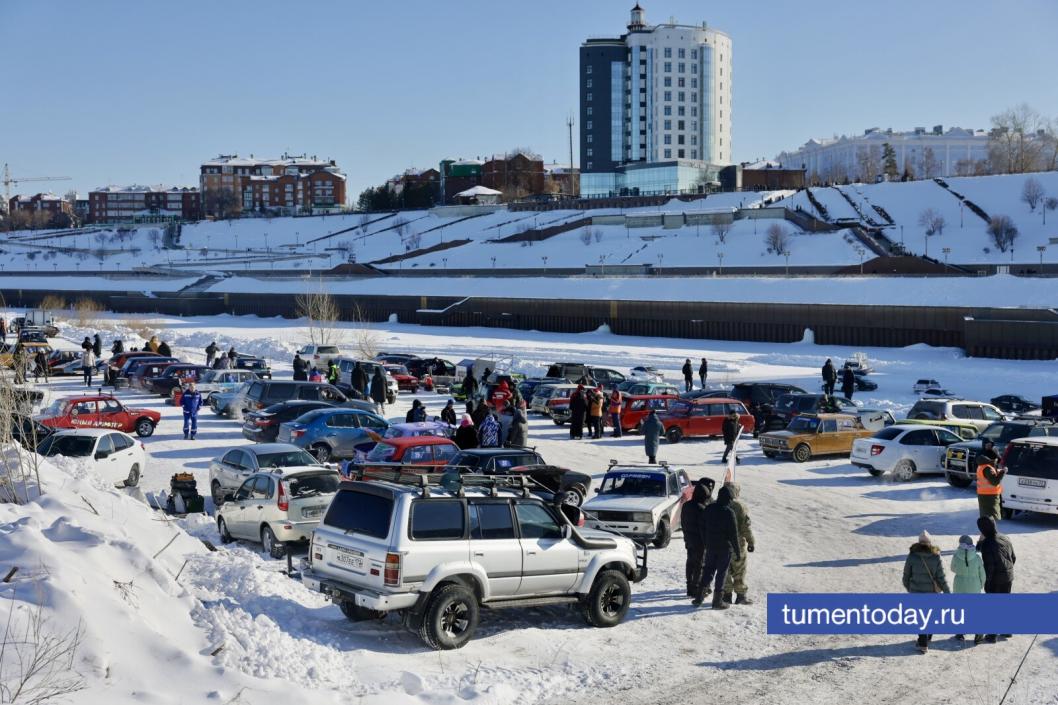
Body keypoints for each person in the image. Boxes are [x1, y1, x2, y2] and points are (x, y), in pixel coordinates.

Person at [902, 530, 950, 653]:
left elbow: (906, 575)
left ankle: (923, 642)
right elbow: (941, 577)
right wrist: (947, 592)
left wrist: (909, 588)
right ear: (930, 542)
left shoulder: (912, 556)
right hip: (932, 593)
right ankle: (927, 637)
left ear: (919, 542)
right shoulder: (936, 556)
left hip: (916, 592)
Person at [694, 485, 741, 609]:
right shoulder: (729, 512)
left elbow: (701, 526)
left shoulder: (709, 509)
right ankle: (717, 601)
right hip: (725, 549)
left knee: (708, 570)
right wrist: (738, 552)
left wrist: (705, 541)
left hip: (710, 547)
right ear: (728, 499)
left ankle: (699, 597)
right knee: (721, 573)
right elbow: (733, 534)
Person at [976, 516, 1016, 644]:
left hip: (995, 579)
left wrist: (987, 582)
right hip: (1008, 576)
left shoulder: (987, 544)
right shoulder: (1004, 537)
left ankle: (992, 635)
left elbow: (990, 566)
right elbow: (1013, 557)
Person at [721, 482, 755, 605]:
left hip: (721, 545)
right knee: (739, 570)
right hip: (738, 545)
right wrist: (751, 541)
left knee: (725, 570)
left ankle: (726, 595)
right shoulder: (740, 506)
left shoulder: (715, 504)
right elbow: (746, 527)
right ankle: (741, 596)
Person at [951, 534, 986, 642]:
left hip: (959, 585)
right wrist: (980, 585)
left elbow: (953, 568)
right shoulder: (977, 558)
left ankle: (960, 632)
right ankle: (978, 634)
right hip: (974, 586)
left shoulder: (956, 556)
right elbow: (982, 574)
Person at [681, 480, 713, 598]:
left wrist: (685, 538)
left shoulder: (686, 505)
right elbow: (703, 528)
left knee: (690, 562)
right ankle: (696, 587)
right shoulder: (701, 508)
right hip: (700, 542)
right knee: (699, 565)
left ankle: (689, 586)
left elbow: (683, 523)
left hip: (689, 539)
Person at [976, 452, 1006, 521]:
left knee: (986, 516)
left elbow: (989, 477)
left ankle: (986, 530)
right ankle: (990, 530)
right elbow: (995, 482)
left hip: (984, 495)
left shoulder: (981, 466)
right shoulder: (987, 468)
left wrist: (998, 471)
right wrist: (1002, 472)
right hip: (990, 496)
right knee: (991, 517)